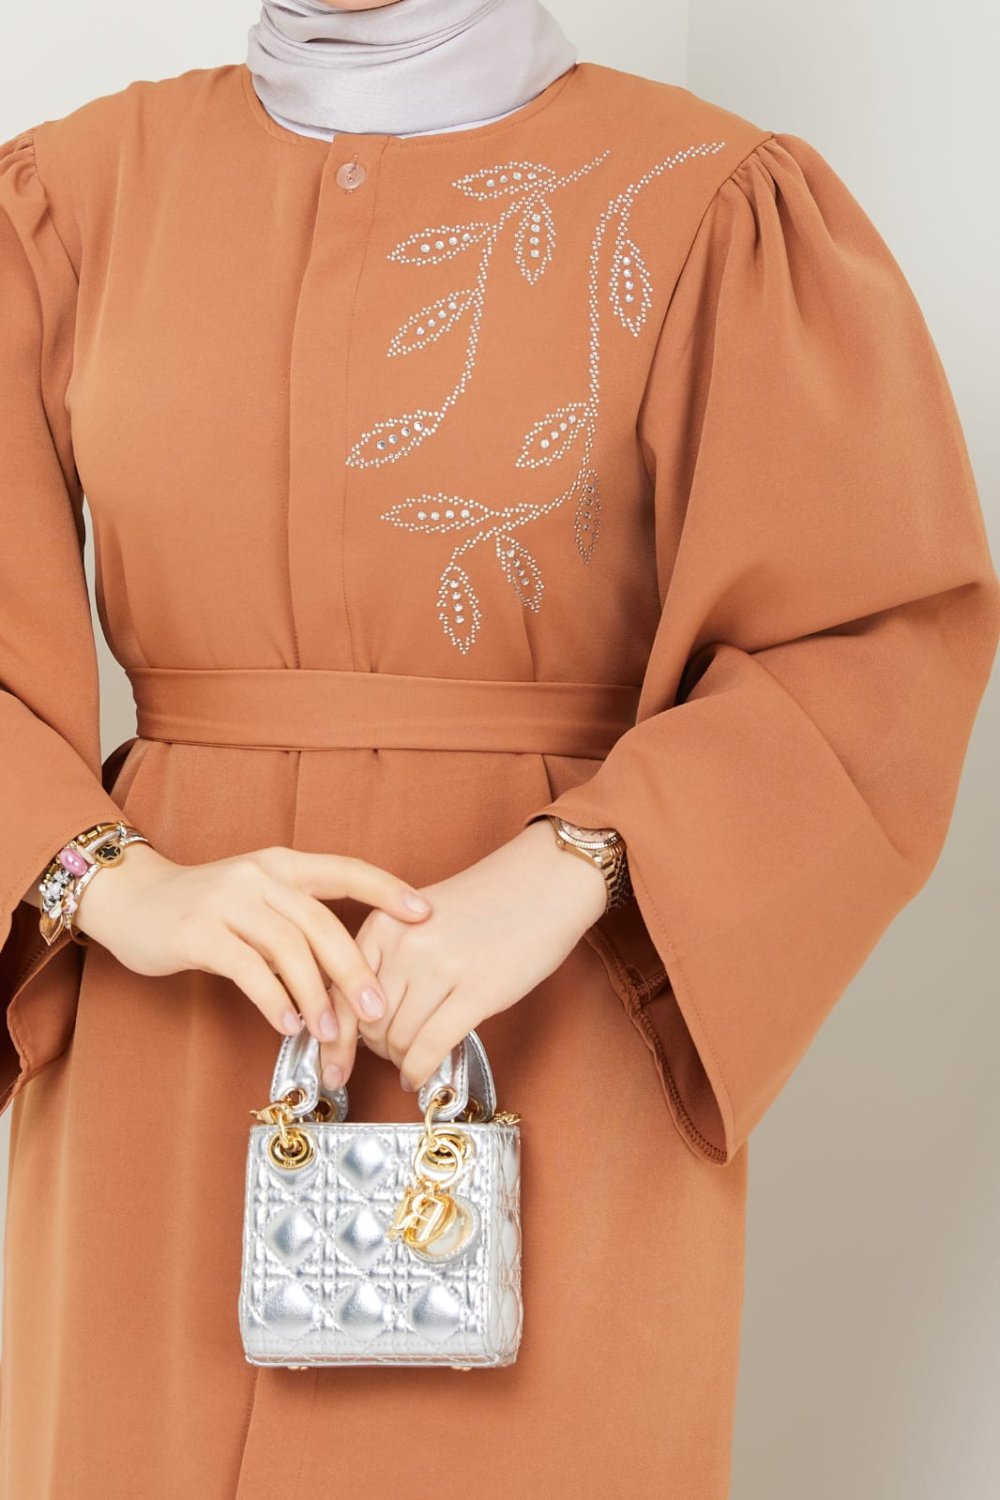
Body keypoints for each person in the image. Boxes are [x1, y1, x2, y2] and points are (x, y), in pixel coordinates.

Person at [0, 0, 997, 1494]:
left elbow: (873, 639)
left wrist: (577, 862)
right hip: (165, 1059)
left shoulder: (712, 204)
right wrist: (117, 884)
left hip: (555, 1042)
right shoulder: (65, 203)